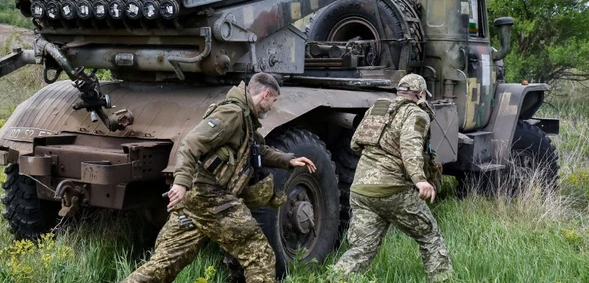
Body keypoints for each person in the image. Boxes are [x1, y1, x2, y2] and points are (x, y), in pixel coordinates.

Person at [122, 72, 316, 283]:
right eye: (273, 101)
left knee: (164, 264)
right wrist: (180, 183)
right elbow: (191, 143)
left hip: (195, 202)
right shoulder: (232, 114)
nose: (272, 107)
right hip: (213, 199)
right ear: (265, 94)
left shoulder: (245, 118)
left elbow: (257, 149)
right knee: (260, 256)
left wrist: (288, 160)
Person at [331, 73, 453, 282]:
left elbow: (355, 144)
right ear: (421, 94)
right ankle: (444, 279)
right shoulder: (416, 114)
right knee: (430, 236)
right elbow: (410, 146)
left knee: (362, 249)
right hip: (393, 189)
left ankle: (335, 279)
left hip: (361, 189)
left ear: (400, 92)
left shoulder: (377, 109)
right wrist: (419, 180)